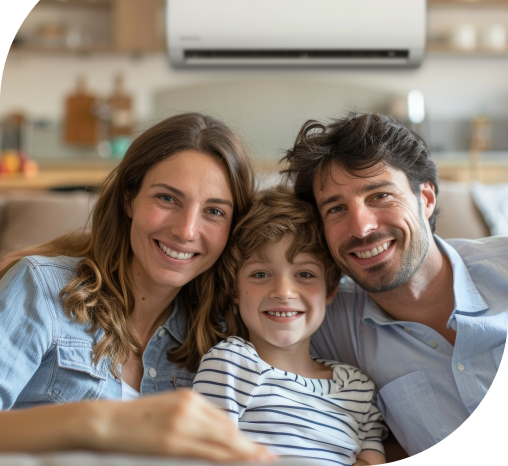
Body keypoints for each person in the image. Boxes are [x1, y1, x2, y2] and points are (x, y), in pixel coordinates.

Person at [0, 113, 273, 463]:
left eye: (215, 212)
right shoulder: (40, 287)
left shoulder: (220, 338)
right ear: (130, 199)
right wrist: (95, 422)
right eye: (168, 199)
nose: (186, 231)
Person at [281, 112, 508, 457]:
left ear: (426, 199)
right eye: (336, 209)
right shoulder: (322, 316)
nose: (361, 228)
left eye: (379, 196)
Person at [193, 187, 387, 466]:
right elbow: (202, 457)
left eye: (304, 274)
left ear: (330, 289)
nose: (284, 292)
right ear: (234, 289)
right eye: (260, 274)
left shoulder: (357, 386)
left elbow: (371, 458)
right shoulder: (229, 364)